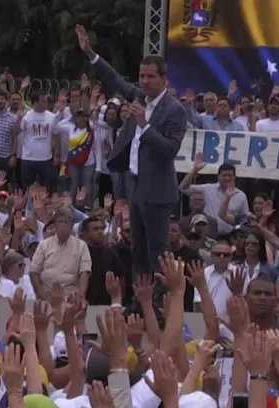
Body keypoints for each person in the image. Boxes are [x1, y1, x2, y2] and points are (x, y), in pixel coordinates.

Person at [76, 24, 188, 275]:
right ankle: (141, 301)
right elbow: (115, 78)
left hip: (158, 191)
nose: (145, 81)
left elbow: (170, 150)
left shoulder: (174, 110)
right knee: (137, 249)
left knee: (157, 252)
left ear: (164, 79)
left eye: (151, 77)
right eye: (142, 76)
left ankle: (159, 307)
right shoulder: (139, 96)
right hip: (135, 185)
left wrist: (144, 125)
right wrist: (90, 53)